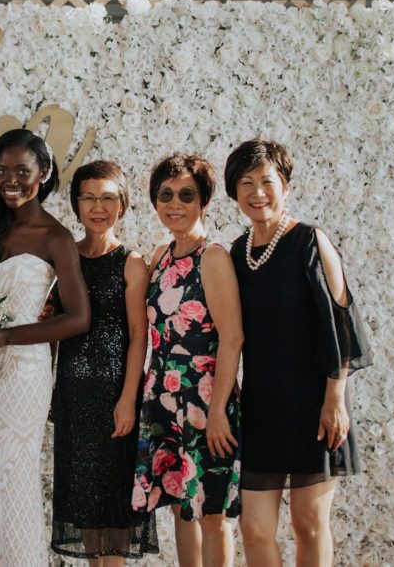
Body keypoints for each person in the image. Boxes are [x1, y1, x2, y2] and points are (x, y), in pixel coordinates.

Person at [223, 139, 371, 567]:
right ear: (235, 192)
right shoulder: (236, 252)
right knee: (254, 529)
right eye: (246, 183)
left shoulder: (311, 240)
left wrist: (335, 399)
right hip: (261, 407)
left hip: (315, 405)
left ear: (285, 186)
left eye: (267, 181)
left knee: (308, 524)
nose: (257, 192)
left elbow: (343, 323)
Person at [0, 128, 91, 567]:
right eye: (1, 171)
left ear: (45, 173)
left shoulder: (56, 238)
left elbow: (78, 317)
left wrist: (9, 337)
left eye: (22, 171)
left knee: (14, 478)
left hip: (24, 374)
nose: (10, 180)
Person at [132, 153, 242, 567]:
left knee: (211, 513)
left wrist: (217, 413)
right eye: (165, 194)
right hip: (164, 397)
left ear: (204, 201)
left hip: (204, 400)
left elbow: (232, 338)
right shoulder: (160, 256)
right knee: (181, 505)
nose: (174, 203)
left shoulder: (212, 257)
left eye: (185, 194)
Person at [51, 160, 158, 564]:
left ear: (123, 204)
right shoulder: (63, 258)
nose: (98, 207)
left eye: (108, 198)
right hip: (73, 400)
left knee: (113, 514)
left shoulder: (130, 262)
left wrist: (128, 398)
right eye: (89, 197)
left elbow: (138, 336)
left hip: (114, 400)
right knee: (86, 509)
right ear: (77, 204)